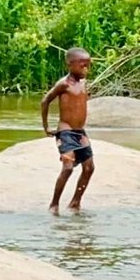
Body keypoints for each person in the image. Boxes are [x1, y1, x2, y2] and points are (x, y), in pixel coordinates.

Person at [40, 48, 94, 214]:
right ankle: (54, 204)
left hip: (80, 132)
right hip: (66, 132)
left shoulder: (83, 83)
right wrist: (46, 126)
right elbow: (45, 101)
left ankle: (75, 202)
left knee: (89, 168)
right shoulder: (64, 84)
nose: (86, 69)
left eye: (88, 66)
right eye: (82, 66)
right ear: (70, 65)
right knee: (68, 167)